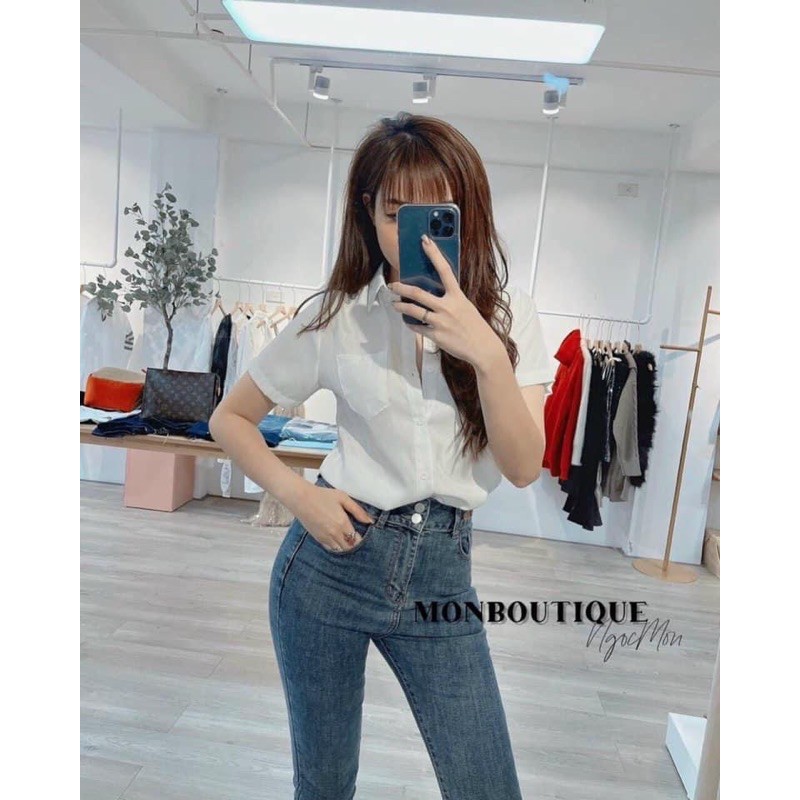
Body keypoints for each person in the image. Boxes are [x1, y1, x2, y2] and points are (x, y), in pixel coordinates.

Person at [209, 112, 553, 800]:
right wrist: (301, 499)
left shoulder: (509, 315)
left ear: (467, 213)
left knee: (487, 788)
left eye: (436, 215)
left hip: (442, 582)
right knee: (325, 784)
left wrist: (486, 353)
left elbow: (522, 467)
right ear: (367, 212)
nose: (413, 235)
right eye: (396, 213)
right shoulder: (336, 317)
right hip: (329, 570)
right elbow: (230, 418)